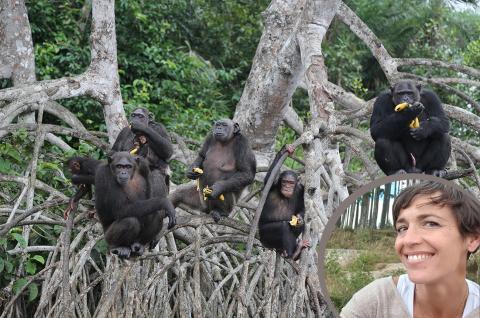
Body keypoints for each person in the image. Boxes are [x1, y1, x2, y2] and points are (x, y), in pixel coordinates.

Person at [340, 181, 480, 318]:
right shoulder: (374, 302)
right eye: (402, 228)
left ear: (473, 239)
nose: (408, 239)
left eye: (431, 224)